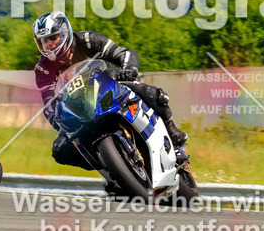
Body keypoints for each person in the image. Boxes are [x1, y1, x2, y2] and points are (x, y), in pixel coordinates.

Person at [32, 11, 188, 172]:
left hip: (111, 86)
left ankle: (173, 134)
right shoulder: (42, 69)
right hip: (78, 110)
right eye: (43, 41)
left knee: (154, 94)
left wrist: (129, 69)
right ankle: (111, 170)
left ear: (65, 32)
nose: (49, 44)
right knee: (60, 151)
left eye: (52, 38)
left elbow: (123, 53)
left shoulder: (87, 39)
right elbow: (48, 103)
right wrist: (58, 123)